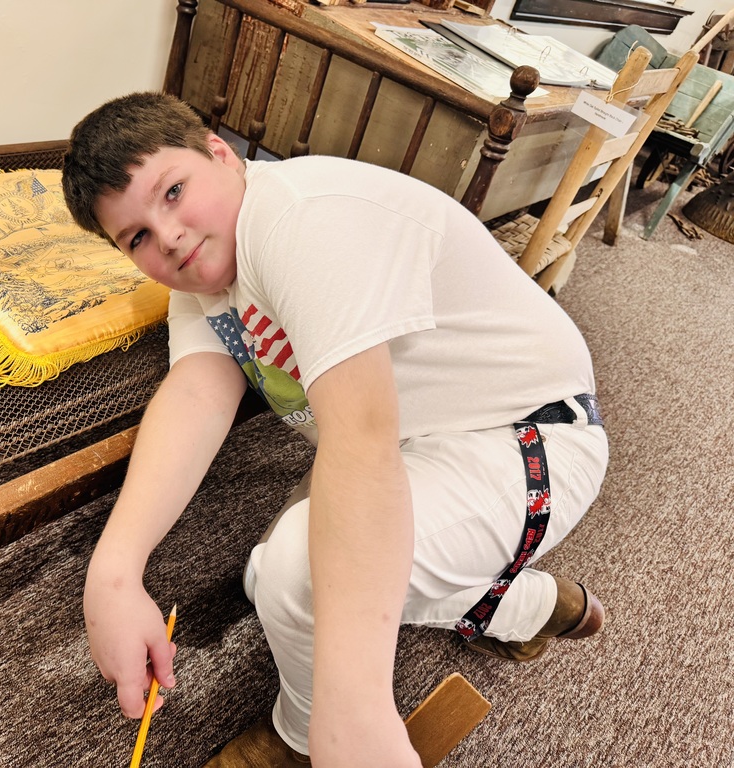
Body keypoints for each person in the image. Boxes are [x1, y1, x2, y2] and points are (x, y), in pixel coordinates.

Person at [61, 91, 609, 768]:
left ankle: (293, 739)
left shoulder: (297, 216)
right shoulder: (204, 284)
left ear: (221, 154)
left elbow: (361, 441)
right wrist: (113, 572)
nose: (167, 236)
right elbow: (198, 394)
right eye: (136, 236)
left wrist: (349, 715)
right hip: (423, 444)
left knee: (299, 578)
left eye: (173, 191)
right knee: (275, 578)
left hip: (525, 439)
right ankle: (521, 607)